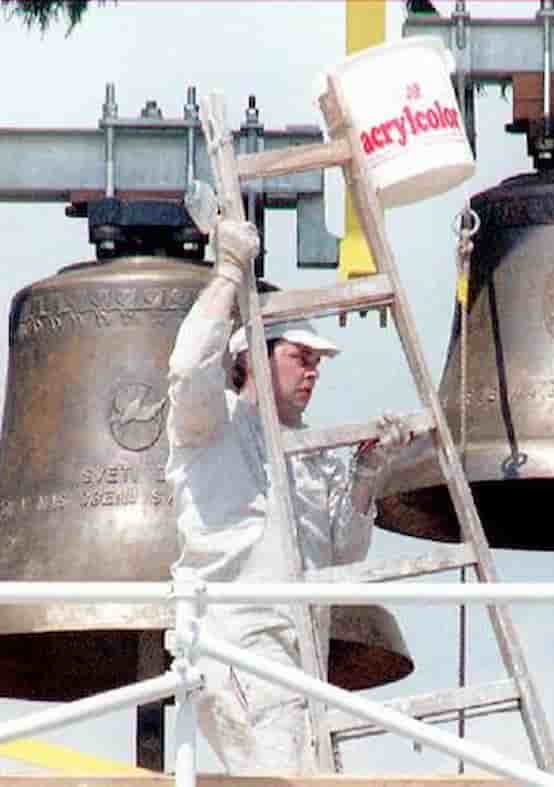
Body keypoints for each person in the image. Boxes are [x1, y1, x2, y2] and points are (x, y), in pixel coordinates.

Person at [165, 219, 409, 774]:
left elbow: (342, 554)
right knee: (280, 775)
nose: (313, 373)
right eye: (301, 358)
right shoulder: (214, 424)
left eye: (317, 363)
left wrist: (368, 472)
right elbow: (186, 368)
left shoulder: (311, 451)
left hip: (303, 653)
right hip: (239, 645)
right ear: (252, 355)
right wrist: (228, 271)